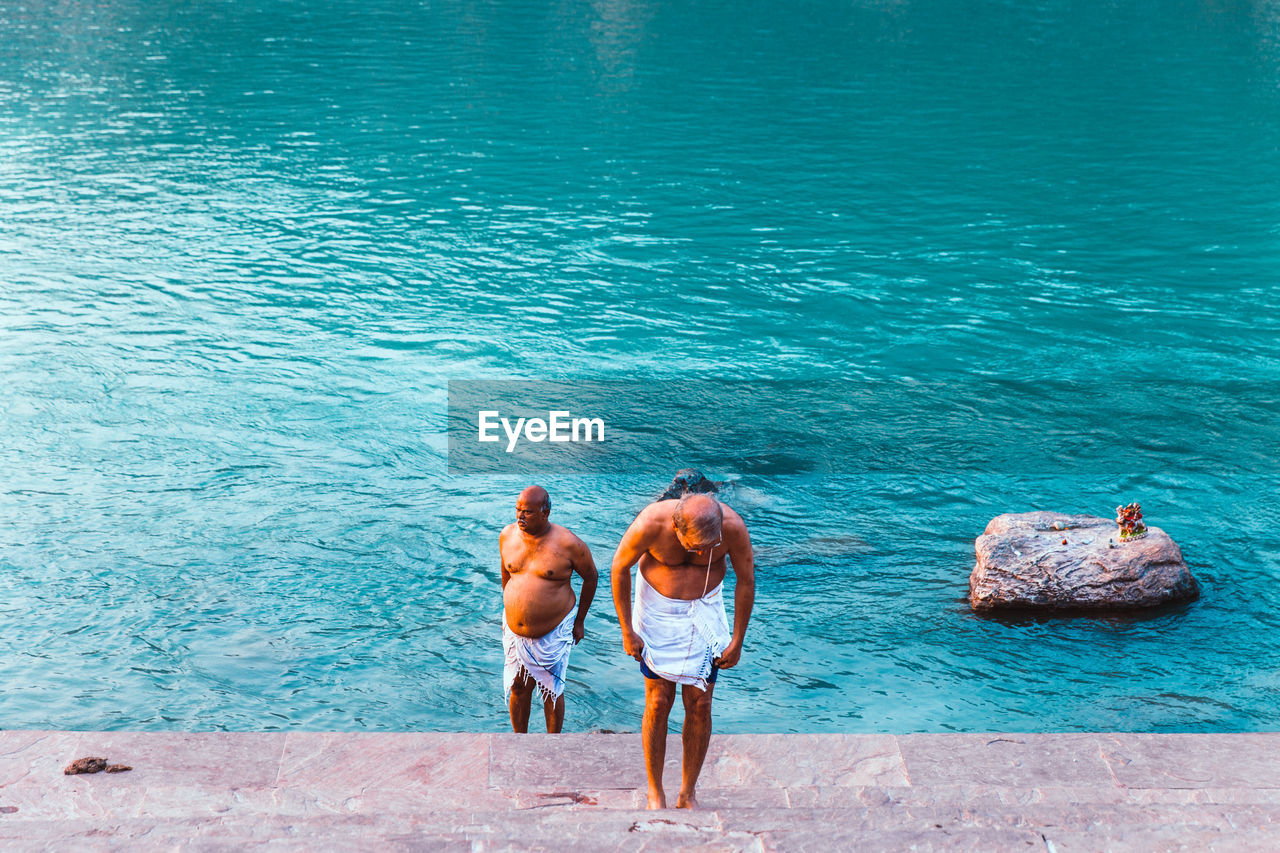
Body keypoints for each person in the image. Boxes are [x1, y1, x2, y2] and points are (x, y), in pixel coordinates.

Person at [611, 492, 755, 809]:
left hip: (705, 611)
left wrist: (738, 639)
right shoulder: (650, 522)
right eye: (695, 546)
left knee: (700, 703)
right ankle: (655, 791)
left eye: (709, 547)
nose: (704, 552)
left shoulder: (732, 528)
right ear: (677, 528)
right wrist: (627, 630)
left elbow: (746, 579)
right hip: (657, 612)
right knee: (659, 701)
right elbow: (619, 567)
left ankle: (688, 792)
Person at [499, 485, 598, 733]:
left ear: (546, 512)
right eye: (518, 510)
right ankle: (519, 740)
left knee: (551, 690)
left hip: (554, 631)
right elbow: (506, 574)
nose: (520, 517)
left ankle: (552, 744)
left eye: (528, 512)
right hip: (515, 632)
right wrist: (512, 605)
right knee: (519, 687)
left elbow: (591, 577)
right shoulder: (507, 536)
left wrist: (580, 621)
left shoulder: (569, 544)